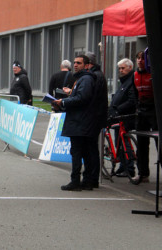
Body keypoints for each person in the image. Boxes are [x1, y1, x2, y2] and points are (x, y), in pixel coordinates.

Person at [52, 55, 98, 191]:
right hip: (79, 121)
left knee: (78, 152)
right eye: (75, 63)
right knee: (82, 152)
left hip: (80, 122)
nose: (76, 65)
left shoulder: (86, 79)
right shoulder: (81, 79)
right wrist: (61, 105)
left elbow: (82, 98)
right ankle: (84, 180)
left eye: (79, 63)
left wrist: (64, 102)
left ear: (86, 65)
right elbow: (77, 99)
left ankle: (77, 181)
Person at [108, 58, 138, 177]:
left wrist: (118, 108)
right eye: (119, 68)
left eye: (123, 68)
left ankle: (128, 167)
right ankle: (123, 166)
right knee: (119, 141)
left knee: (123, 142)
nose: (120, 70)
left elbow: (131, 100)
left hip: (126, 116)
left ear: (130, 68)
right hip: (119, 116)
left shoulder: (131, 81)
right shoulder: (125, 80)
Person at [132, 51, 157, 184]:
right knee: (141, 144)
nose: (140, 61)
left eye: (143, 58)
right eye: (138, 58)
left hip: (154, 111)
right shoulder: (135, 75)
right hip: (141, 111)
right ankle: (142, 173)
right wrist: (137, 106)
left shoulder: (152, 74)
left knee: (160, 143)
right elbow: (134, 93)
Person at [85, 52, 108, 187]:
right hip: (95, 116)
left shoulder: (95, 76)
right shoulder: (96, 75)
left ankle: (92, 178)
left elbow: (91, 98)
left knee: (91, 148)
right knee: (91, 147)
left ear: (89, 64)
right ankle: (92, 177)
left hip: (94, 117)